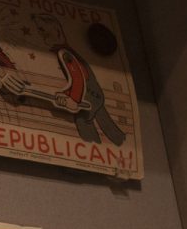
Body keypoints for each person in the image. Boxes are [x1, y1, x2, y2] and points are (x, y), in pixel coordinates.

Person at [31, 13, 126, 146]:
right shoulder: (68, 52)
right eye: (38, 30)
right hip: (95, 94)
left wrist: (73, 99)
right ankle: (120, 141)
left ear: (57, 31)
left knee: (84, 122)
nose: (41, 34)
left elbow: (78, 78)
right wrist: (65, 94)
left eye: (42, 29)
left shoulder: (65, 54)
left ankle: (94, 147)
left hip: (89, 96)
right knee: (106, 123)